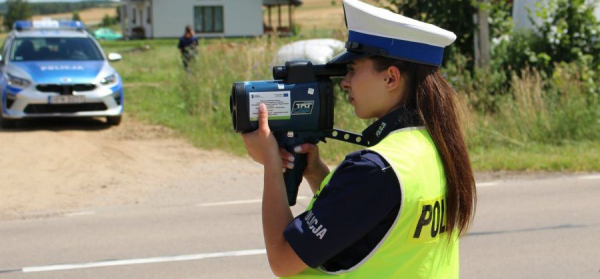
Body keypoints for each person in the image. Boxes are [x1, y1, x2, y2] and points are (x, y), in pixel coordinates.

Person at [241, 0, 477, 278]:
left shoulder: (375, 169)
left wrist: (270, 160)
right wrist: (317, 175)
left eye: (353, 69)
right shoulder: (436, 146)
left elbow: (282, 259)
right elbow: (376, 222)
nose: (344, 82)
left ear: (391, 78)